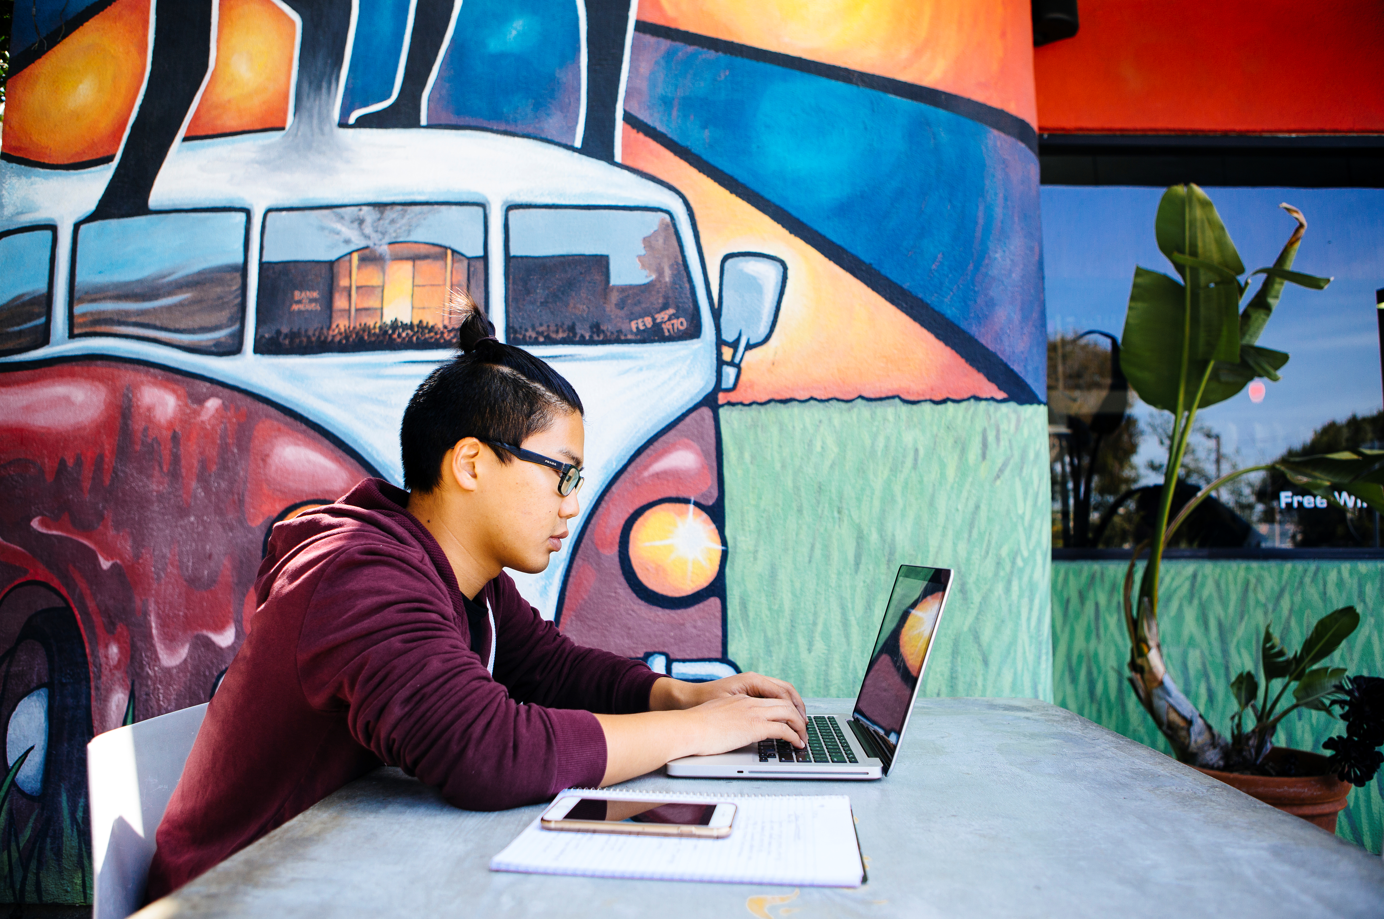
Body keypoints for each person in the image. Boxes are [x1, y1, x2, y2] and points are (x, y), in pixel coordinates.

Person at [144, 299, 807, 899]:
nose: (571, 504)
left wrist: (679, 695)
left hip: (337, 871)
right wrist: (699, 733)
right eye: (563, 473)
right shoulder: (357, 576)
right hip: (239, 890)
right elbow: (486, 750)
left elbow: (553, 671)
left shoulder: (461, 577)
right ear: (470, 464)